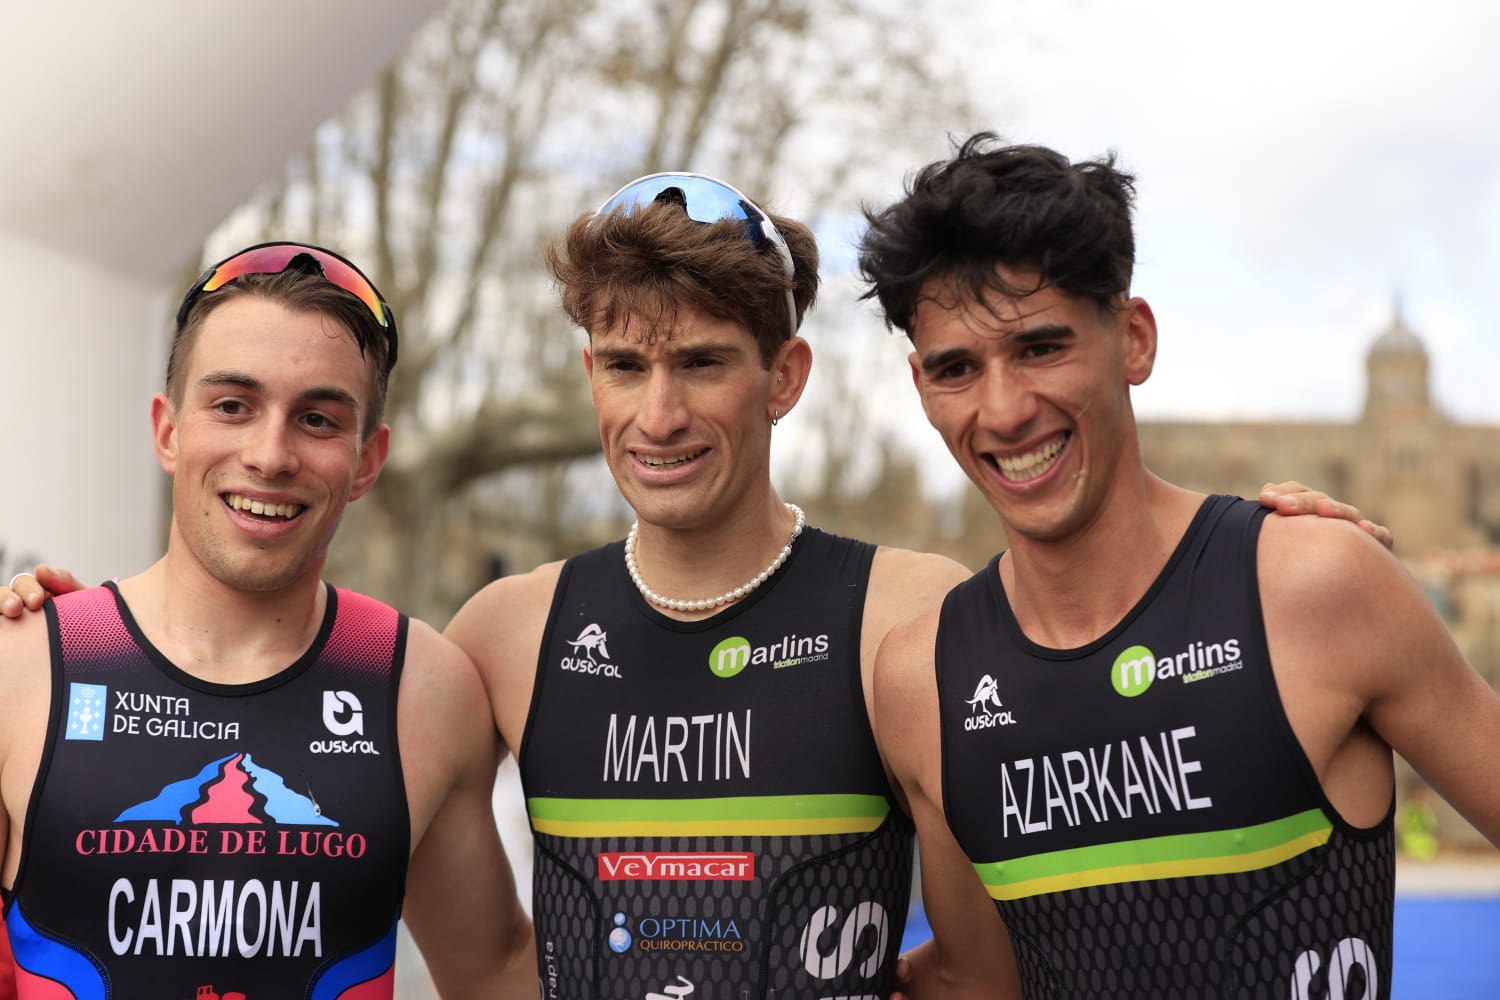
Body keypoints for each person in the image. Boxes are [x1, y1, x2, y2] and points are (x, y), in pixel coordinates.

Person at [0, 183, 1387, 999]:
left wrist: (1246, 549)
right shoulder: (501, 636)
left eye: (706, 363)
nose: (658, 415)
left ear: (783, 378)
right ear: (588, 378)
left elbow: (984, 967)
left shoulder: (913, 613)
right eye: (623, 366)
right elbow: (474, 957)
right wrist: (66, 635)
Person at [858, 134, 1500, 999]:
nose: (1004, 410)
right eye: (958, 369)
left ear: (1133, 340)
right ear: (921, 385)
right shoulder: (920, 680)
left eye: (1042, 348)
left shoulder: (1314, 585)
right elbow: (978, 982)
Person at [0, 243, 535, 998]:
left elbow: (495, 974)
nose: (270, 454)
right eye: (232, 405)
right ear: (167, 431)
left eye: (317, 419)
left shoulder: (424, 688)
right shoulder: (22, 667)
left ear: (367, 461)